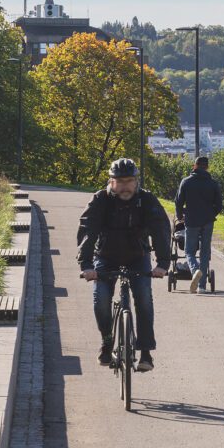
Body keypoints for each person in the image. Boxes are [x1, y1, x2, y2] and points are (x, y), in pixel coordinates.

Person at [78, 158, 171, 372]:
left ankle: (145, 351)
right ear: (111, 182)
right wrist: (86, 265)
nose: (125, 186)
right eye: (120, 181)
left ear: (137, 181)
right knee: (101, 299)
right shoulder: (100, 200)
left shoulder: (146, 200)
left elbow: (160, 230)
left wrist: (162, 263)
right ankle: (107, 341)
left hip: (138, 256)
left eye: (129, 181)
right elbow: (87, 231)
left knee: (144, 299)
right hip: (106, 257)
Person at [175, 155, 222, 293]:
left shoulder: (186, 182)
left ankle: (195, 270)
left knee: (189, 251)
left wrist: (180, 216)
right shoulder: (213, 183)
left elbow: (178, 201)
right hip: (208, 221)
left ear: (194, 166)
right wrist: (211, 214)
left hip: (191, 220)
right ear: (207, 167)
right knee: (205, 252)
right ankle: (202, 286)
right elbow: (219, 205)